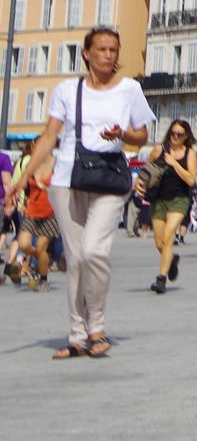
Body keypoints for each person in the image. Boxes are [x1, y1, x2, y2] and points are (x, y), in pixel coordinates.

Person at [4, 26, 154, 359]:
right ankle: (77, 335)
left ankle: (96, 327)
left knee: (93, 252)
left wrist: (123, 133)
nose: (108, 55)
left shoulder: (129, 89)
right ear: (86, 53)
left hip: (110, 179)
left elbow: (141, 135)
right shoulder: (66, 91)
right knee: (74, 261)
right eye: (101, 49)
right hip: (66, 178)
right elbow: (48, 138)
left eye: (113, 49)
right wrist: (21, 181)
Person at [145, 119, 197, 294]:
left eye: (180, 134)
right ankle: (172, 260)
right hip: (159, 199)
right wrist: (139, 183)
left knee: (168, 237)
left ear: (186, 136)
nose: (175, 136)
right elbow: (146, 170)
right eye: (173, 133)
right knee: (160, 243)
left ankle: (161, 279)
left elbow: (191, 180)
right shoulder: (158, 149)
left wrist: (174, 163)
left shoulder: (190, 153)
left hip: (179, 199)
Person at [7, 140, 57, 290]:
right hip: (30, 211)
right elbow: (19, 184)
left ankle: (41, 278)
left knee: (40, 247)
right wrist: (16, 200)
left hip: (50, 213)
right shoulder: (29, 164)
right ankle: (38, 263)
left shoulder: (56, 163)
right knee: (23, 244)